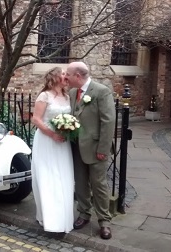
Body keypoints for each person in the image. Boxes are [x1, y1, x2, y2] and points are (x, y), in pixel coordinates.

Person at [65, 61, 116, 239]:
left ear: (78, 76)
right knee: (80, 183)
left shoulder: (101, 91)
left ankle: (104, 221)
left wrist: (103, 148)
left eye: (68, 75)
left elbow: (108, 122)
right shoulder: (72, 93)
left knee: (99, 184)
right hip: (76, 146)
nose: (65, 78)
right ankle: (84, 213)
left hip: (95, 148)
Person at [31, 67, 74, 233]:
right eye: (63, 74)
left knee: (63, 177)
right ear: (55, 77)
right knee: (48, 178)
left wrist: (69, 129)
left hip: (63, 143)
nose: (66, 77)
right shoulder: (45, 95)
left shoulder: (67, 96)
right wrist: (52, 134)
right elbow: (36, 119)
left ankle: (63, 216)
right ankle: (49, 218)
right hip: (46, 141)